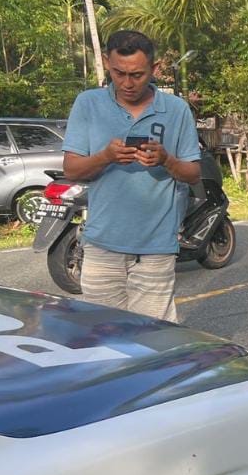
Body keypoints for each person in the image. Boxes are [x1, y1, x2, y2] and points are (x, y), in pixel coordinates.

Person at [61, 30, 201, 321]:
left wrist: (166, 160)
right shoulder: (88, 104)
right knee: (102, 334)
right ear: (106, 64)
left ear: (155, 68)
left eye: (137, 75)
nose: (127, 83)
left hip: (155, 247)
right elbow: (71, 170)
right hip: (102, 245)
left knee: (152, 340)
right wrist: (105, 157)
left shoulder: (176, 110)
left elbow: (192, 174)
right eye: (118, 73)